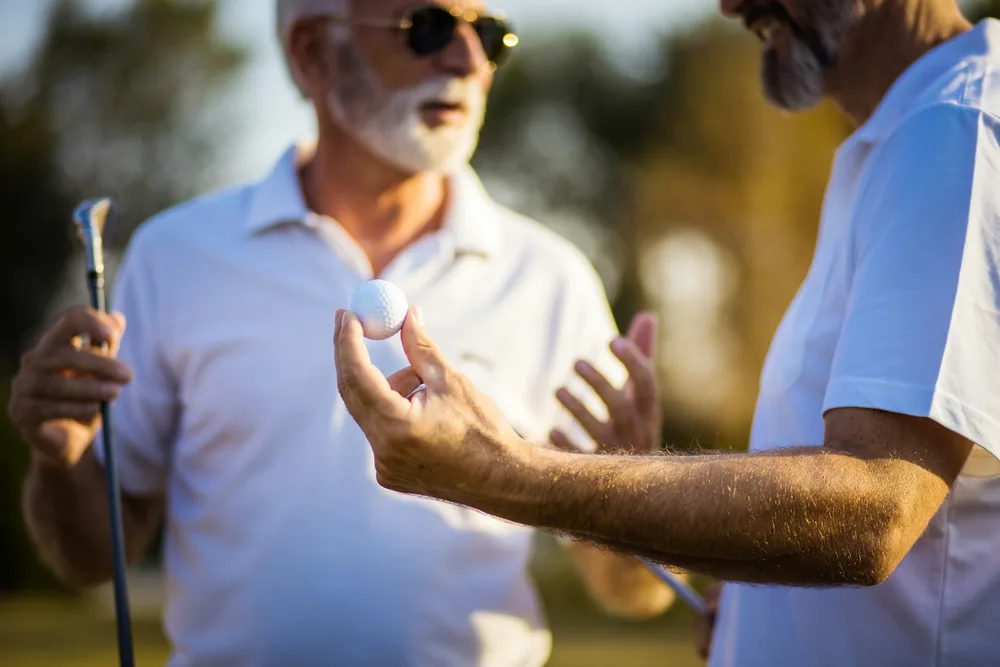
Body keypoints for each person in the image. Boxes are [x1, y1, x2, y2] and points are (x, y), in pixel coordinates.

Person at [7, 1, 677, 665]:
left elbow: (632, 594)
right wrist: (60, 462)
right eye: (430, 27)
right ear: (312, 53)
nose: (468, 59)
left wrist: (634, 502)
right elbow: (97, 560)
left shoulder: (551, 276)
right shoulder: (173, 256)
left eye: (491, 34)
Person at [332, 1, 1000, 665]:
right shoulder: (904, 139)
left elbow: (876, 509)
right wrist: (750, 610)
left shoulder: (956, 131)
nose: (729, 4)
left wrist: (500, 469)